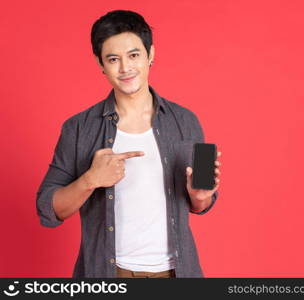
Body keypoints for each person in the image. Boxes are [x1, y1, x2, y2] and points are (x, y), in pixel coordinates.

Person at [36, 9, 221, 278]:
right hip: (109, 275)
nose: (125, 68)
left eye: (134, 55)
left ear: (151, 55)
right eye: (113, 59)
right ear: (100, 64)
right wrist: (91, 179)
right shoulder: (78, 128)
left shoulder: (186, 121)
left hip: (178, 273)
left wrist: (201, 195)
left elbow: (202, 202)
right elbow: (47, 209)